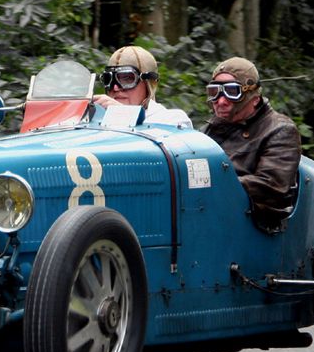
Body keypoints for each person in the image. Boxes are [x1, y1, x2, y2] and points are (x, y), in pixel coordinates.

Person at [203, 56, 301, 232]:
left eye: (232, 92)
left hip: (251, 222)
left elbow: (271, 187)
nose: (221, 101)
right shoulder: (211, 128)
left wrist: (211, 186)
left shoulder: (280, 130)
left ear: (254, 99)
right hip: (209, 214)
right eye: (214, 91)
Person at [93, 46, 193, 129]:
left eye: (127, 78)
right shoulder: (95, 121)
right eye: (109, 79)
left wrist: (122, 114)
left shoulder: (174, 120)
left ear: (148, 84)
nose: (115, 88)